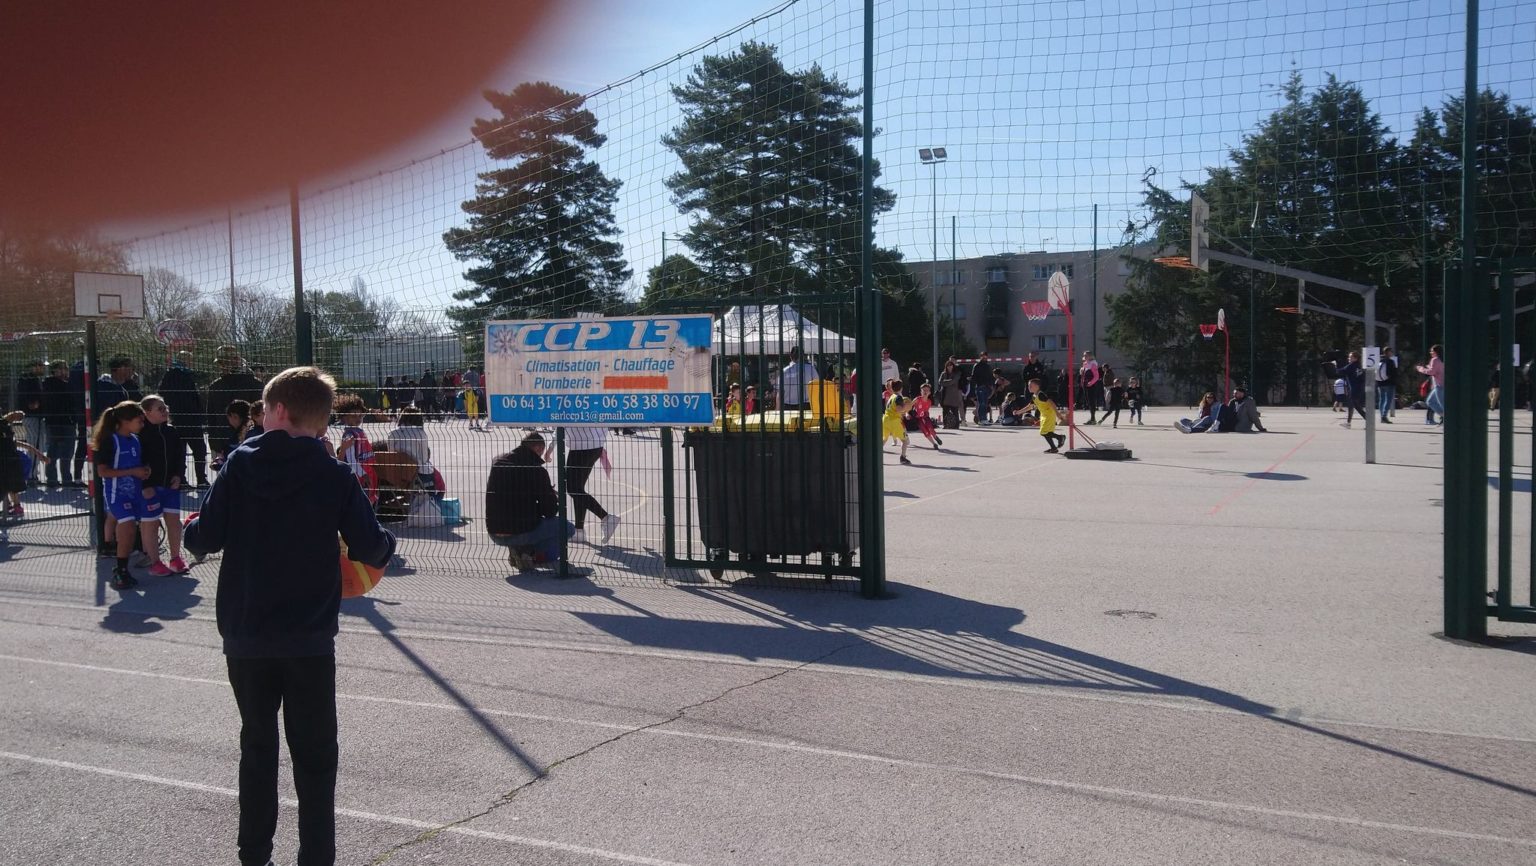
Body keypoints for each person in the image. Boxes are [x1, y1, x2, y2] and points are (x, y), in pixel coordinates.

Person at [185, 366, 396, 866]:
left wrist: (193, 524)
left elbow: (203, 538)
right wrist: (385, 541)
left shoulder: (238, 465)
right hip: (309, 637)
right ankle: (316, 856)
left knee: (257, 745)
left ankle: (254, 853)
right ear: (320, 419)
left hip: (247, 632)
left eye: (263, 409)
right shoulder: (334, 474)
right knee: (316, 755)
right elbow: (372, 547)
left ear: (278, 410)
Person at [93, 400, 160, 589]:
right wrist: (132, 472)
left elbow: (138, 465)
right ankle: (120, 569)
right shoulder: (110, 440)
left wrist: (144, 471)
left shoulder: (135, 440)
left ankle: (123, 566)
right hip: (117, 494)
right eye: (139, 420)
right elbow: (102, 472)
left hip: (134, 493)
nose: (142, 424)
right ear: (125, 421)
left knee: (130, 531)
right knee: (128, 525)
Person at [486, 431, 570, 571]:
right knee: (567, 528)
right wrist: (550, 495)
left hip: (494, 530)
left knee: (518, 515)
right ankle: (530, 553)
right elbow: (549, 511)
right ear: (537, 448)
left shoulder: (498, 461)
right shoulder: (536, 470)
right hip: (521, 529)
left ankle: (520, 550)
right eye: (541, 451)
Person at [138, 395, 191, 574]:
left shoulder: (171, 431)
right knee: (151, 524)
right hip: (150, 487)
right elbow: (138, 462)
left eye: (165, 407)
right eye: (160, 409)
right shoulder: (140, 434)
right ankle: (154, 562)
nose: (165, 411)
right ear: (147, 412)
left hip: (170, 486)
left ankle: (176, 558)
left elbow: (179, 456)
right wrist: (145, 485)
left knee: (174, 522)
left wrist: (178, 475)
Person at [158, 351, 210, 487]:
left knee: (183, 451)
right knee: (196, 450)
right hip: (185, 418)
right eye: (189, 360)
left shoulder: (175, 375)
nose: (191, 362)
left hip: (180, 418)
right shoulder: (178, 375)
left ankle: (184, 479)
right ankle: (199, 479)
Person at [563, 426, 620, 544]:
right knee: (578, 489)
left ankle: (606, 517)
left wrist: (551, 447)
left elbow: (558, 420)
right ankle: (579, 531)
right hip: (593, 444)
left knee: (573, 489)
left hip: (581, 445)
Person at [206, 346, 264, 459]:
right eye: (221, 363)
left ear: (237, 360)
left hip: (248, 442)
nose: (222, 366)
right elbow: (211, 418)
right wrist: (214, 445)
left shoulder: (254, 384)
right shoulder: (215, 386)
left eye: (224, 362)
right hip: (225, 444)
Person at [384, 406, 440, 498]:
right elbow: (424, 458)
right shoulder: (421, 434)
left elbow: (391, 454)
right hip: (417, 474)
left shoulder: (393, 434)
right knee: (431, 475)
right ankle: (430, 501)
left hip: (397, 474)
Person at [1, 410, 48, 518]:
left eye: (19, 418)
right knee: (8, 485)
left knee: (11, 486)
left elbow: (16, 443)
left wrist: (38, 454)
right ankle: (8, 506)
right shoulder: (5, 426)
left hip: (10, 461)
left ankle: (16, 507)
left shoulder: (6, 429)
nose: (17, 419)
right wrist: (39, 454)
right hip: (8, 460)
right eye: (17, 417)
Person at [41, 361, 78, 487]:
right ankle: (59, 479)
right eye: (60, 369)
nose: (64, 372)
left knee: (60, 452)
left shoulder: (60, 384)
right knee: (59, 451)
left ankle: (58, 479)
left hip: (60, 422)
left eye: (65, 369)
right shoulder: (55, 385)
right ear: (54, 371)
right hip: (60, 422)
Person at [335, 394, 376, 499]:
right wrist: (363, 474)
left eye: (360, 415)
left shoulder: (359, 432)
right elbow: (351, 459)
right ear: (344, 417)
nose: (358, 419)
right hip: (358, 477)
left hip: (367, 472)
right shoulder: (350, 435)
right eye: (354, 416)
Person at [16, 360, 46, 485]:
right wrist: (32, 403)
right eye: (40, 366)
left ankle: (32, 473)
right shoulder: (29, 379)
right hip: (33, 416)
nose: (42, 368)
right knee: (35, 445)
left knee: (36, 445)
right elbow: (28, 396)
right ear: (33, 367)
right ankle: (31, 475)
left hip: (32, 416)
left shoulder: (31, 379)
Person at [1026, 378, 1066, 453]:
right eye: (1028, 386)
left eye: (1031, 386)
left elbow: (1051, 402)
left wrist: (1057, 414)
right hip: (1044, 415)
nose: (1029, 387)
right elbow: (1029, 406)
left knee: (1043, 432)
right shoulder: (1034, 396)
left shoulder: (1040, 394)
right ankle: (1054, 447)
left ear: (1037, 386)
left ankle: (1060, 438)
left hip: (1049, 414)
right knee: (1047, 432)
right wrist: (1018, 412)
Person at [211, 399, 252, 473]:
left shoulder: (241, 435)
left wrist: (218, 463)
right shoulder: (252, 430)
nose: (229, 421)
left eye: (228, 418)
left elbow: (230, 456)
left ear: (234, 416)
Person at [1332, 351, 1368, 428]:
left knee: (1356, 405)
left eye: (1351, 357)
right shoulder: (1358, 366)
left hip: (1354, 389)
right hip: (1359, 388)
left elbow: (1340, 371)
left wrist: (1335, 365)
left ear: (1355, 358)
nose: (1349, 358)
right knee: (1351, 405)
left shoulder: (1351, 366)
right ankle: (1348, 423)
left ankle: (1368, 419)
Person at [881, 380, 912, 465]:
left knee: (884, 439)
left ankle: (877, 456)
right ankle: (903, 457)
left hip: (885, 419)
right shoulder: (898, 397)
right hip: (894, 420)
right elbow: (899, 409)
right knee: (904, 440)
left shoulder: (892, 396)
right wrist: (906, 407)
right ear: (901, 388)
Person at [908, 383, 942, 449]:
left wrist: (926, 415)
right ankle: (934, 444)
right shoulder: (917, 399)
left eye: (927, 390)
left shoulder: (929, 402)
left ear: (929, 392)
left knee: (930, 428)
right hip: (918, 418)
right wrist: (907, 413)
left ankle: (935, 437)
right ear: (921, 392)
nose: (925, 392)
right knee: (925, 432)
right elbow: (909, 406)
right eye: (924, 390)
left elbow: (926, 410)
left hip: (925, 417)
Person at [1417, 344, 1445, 425]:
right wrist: (1429, 367)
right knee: (1430, 401)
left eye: (1432, 351)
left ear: (1436, 352)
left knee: (1441, 404)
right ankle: (1443, 416)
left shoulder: (1435, 360)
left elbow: (1431, 372)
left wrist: (1420, 369)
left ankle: (1446, 417)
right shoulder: (1442, 359)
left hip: (1439, 385)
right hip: (1441, 384)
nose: (1431, 353)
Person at [935, 360, 965, 430]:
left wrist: (946, 382)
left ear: (953, 366)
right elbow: (940, 382)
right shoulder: (943, 373)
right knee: (945, 411)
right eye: (948, 365)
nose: (949, 367)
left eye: (950, 365)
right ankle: (945, 424)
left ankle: (956, 425)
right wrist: (949, 381)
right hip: (944, 395)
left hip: (953, 395)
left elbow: (953, 381)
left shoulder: (957, 373)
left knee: (955, 410)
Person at [1376, 347, 1399, 423]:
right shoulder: (1390, 361)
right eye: (1391, 351)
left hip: (1380, 382)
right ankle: (1384, 416)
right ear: (1388, 352)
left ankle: (1382, 416)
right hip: (1389, 383)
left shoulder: (1379, 360)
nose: (1392, 353)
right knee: (1388, 400)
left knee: (1382, 399)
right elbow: (1393, 373)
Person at [970, 353, 994, 425]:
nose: (984, 358)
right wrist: (973, 390)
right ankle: (981, 419)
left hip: (987, 387)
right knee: (982, 403)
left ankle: (985, 419)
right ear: (980, 357)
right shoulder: (977, 365)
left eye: (986, 357)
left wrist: (991, 385)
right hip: (980, 387)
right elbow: (973, 377)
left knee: (985, 404)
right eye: (983, 357)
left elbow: (990, 376)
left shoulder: (988, 366)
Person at [1078, 351, 1101, 424]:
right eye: (1084, 355)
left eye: (1086, 355)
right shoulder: (1085, 364)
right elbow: (1083, 375)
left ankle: (1093, 419)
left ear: (1090, 356)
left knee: (1091, 402)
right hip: (1086, 385)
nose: (1084, 356)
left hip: (1091, 386)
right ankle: (1092, 418)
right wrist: (1082, 382)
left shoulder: (1093, 364)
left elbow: (1096, 376)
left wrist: (1090, 383)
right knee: (1088, 402)